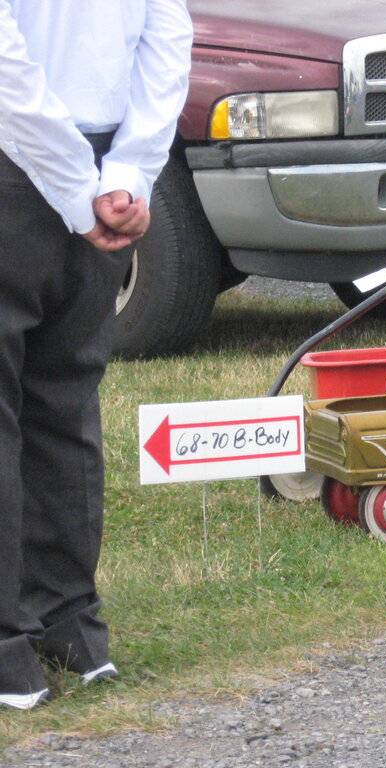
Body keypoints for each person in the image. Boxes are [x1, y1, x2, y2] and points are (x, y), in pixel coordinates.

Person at [0, 0, 192, 710]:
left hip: (20, 161)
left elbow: (7, 69)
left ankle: (9, 649)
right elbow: (167, 42)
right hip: (100, 158)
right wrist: (125, 176)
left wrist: (87, 188)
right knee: (65, 400)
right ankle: (72, 626)